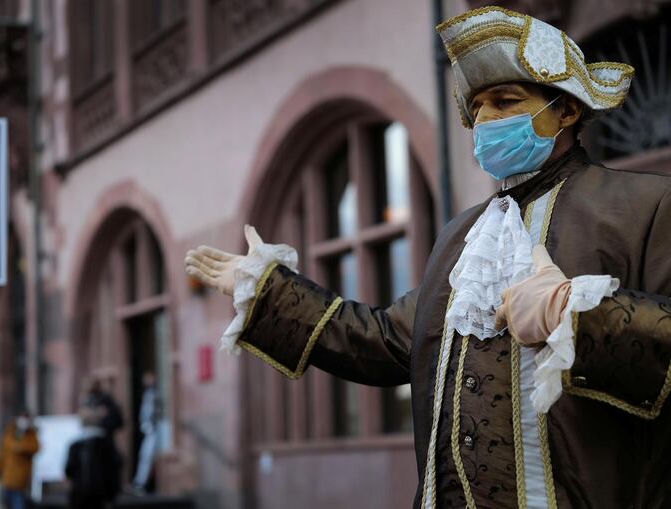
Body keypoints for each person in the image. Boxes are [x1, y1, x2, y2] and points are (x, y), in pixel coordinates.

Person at [185, 6, 671, 508]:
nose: (483, 120)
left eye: (505, 101)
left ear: (566, 110)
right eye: (477, 107)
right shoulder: (464, 235)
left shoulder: (645, 207)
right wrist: (268, 291)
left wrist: (576, 313)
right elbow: (388, 340)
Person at [65, 407, 123, 509]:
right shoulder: (107, 445)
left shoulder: (75, 445)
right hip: (102, 495)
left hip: (80, 495)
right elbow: (115, 469)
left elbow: (68, 470)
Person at [0, 410, 40, 509]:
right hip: (6, 478)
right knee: (6, 504)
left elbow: (35, 448)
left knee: (18, 504)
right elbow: (2, 453)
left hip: (20, 479)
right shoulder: (10, 433)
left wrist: (20, 447)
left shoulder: (31, 435)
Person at [131, 371, 160, 493]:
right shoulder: (148, 393)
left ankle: (142, 483)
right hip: (150, 428)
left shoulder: (156, 393)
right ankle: (140, 482)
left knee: (148, 456)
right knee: (145, 455)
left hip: (157, 428)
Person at [81, 375, 124, 440]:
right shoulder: (88, 399)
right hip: (91, 432)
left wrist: (95, 413)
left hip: (104, 433)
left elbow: (109, 413)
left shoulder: (105, 398)